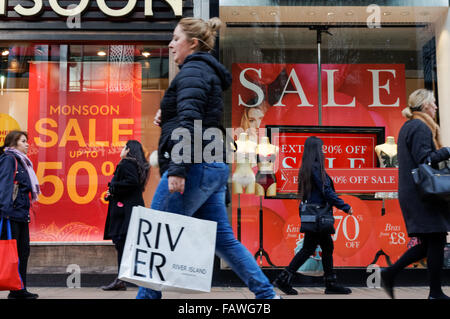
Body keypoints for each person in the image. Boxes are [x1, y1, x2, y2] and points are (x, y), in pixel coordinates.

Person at [136, 16, 279, 299]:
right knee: (223, 239)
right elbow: (199, 118)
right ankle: (267, 295)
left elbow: (191, 121)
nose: (171, 44)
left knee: (157, 237)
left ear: (193, 43)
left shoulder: (192, 72)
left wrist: (177, 168)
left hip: (193, 166)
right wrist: (169, 115)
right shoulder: (205, 73)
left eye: (176, 38)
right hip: (211, 164)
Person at [380, 89, 450, 300]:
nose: (436, 107)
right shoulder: (420, 127)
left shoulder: (409, 126)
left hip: (415, 193)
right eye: (433, 103)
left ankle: (390, 274)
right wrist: (447, 151)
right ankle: (435, 293)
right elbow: (424, 159)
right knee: (436, 239)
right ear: (424, 106)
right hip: (423, 195)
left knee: (429, 242)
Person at [272, 136, 353, 295]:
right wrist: (345, 206)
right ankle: (286, 279)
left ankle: (328, 283)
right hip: (318, 217)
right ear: (316, 151)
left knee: (321, 247)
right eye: (321, 149)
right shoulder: (316, 168)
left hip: (315, 216)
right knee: (310, 248)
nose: (323, 152)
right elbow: (327, 191)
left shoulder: (307, 168)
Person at [102, 140, 150, 291]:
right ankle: (123, 278)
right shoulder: (138, 165)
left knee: (122, 244)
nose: (121, 150)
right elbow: (133, 186)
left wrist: (113, 187)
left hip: (124, 213)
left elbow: (131, 183)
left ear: (128, 150)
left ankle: (121, 279)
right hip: (131, 209)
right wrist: (112, 193)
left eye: (123, 147)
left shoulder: (126, 163)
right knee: (129, 245)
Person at [0, 130, 40, 299]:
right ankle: (16, 289)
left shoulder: (23, 162)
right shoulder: (9, 159)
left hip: (21, 214)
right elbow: (5, 185)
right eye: (23, 141)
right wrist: (5, 211)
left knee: (23, 252)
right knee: (12, 252)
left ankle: (19, 288)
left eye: (26, 141)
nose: (27, 144)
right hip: (11, 215)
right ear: (13, 143)